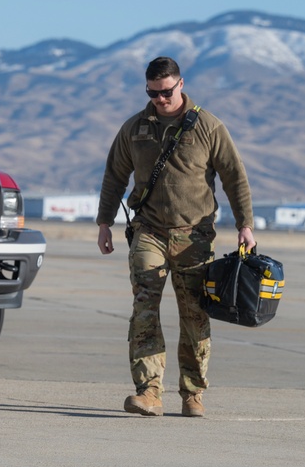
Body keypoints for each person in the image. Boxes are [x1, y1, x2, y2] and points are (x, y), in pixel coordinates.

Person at [96, 57, 255, 418]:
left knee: (194, 314)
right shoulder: (135, 128)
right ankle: (149, 391)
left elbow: (234, 176)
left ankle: (192, 393)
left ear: (181, 84)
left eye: (166, 92)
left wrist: (245, 224)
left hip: (194, 238)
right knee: (144, 308)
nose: (160, 99)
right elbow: (114, 175)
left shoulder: (208, 127)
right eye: (152, 93)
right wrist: (104, 222)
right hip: (149, 231)